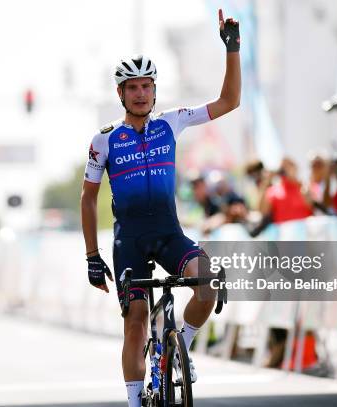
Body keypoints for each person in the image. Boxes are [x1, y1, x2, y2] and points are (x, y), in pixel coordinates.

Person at [80, 9, 241, 406]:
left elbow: (229, 101)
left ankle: (179, 347)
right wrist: (92, 257)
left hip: (169, 234)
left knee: (208, 281)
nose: (140, 93)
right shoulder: (104, 141)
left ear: (155, 90)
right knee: (134, 323)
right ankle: (136, 402)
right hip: (129, 241)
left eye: (146, 86)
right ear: (121, 94)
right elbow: (88, 197)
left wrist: (232, 48)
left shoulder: (173, 122)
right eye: (131, 87)